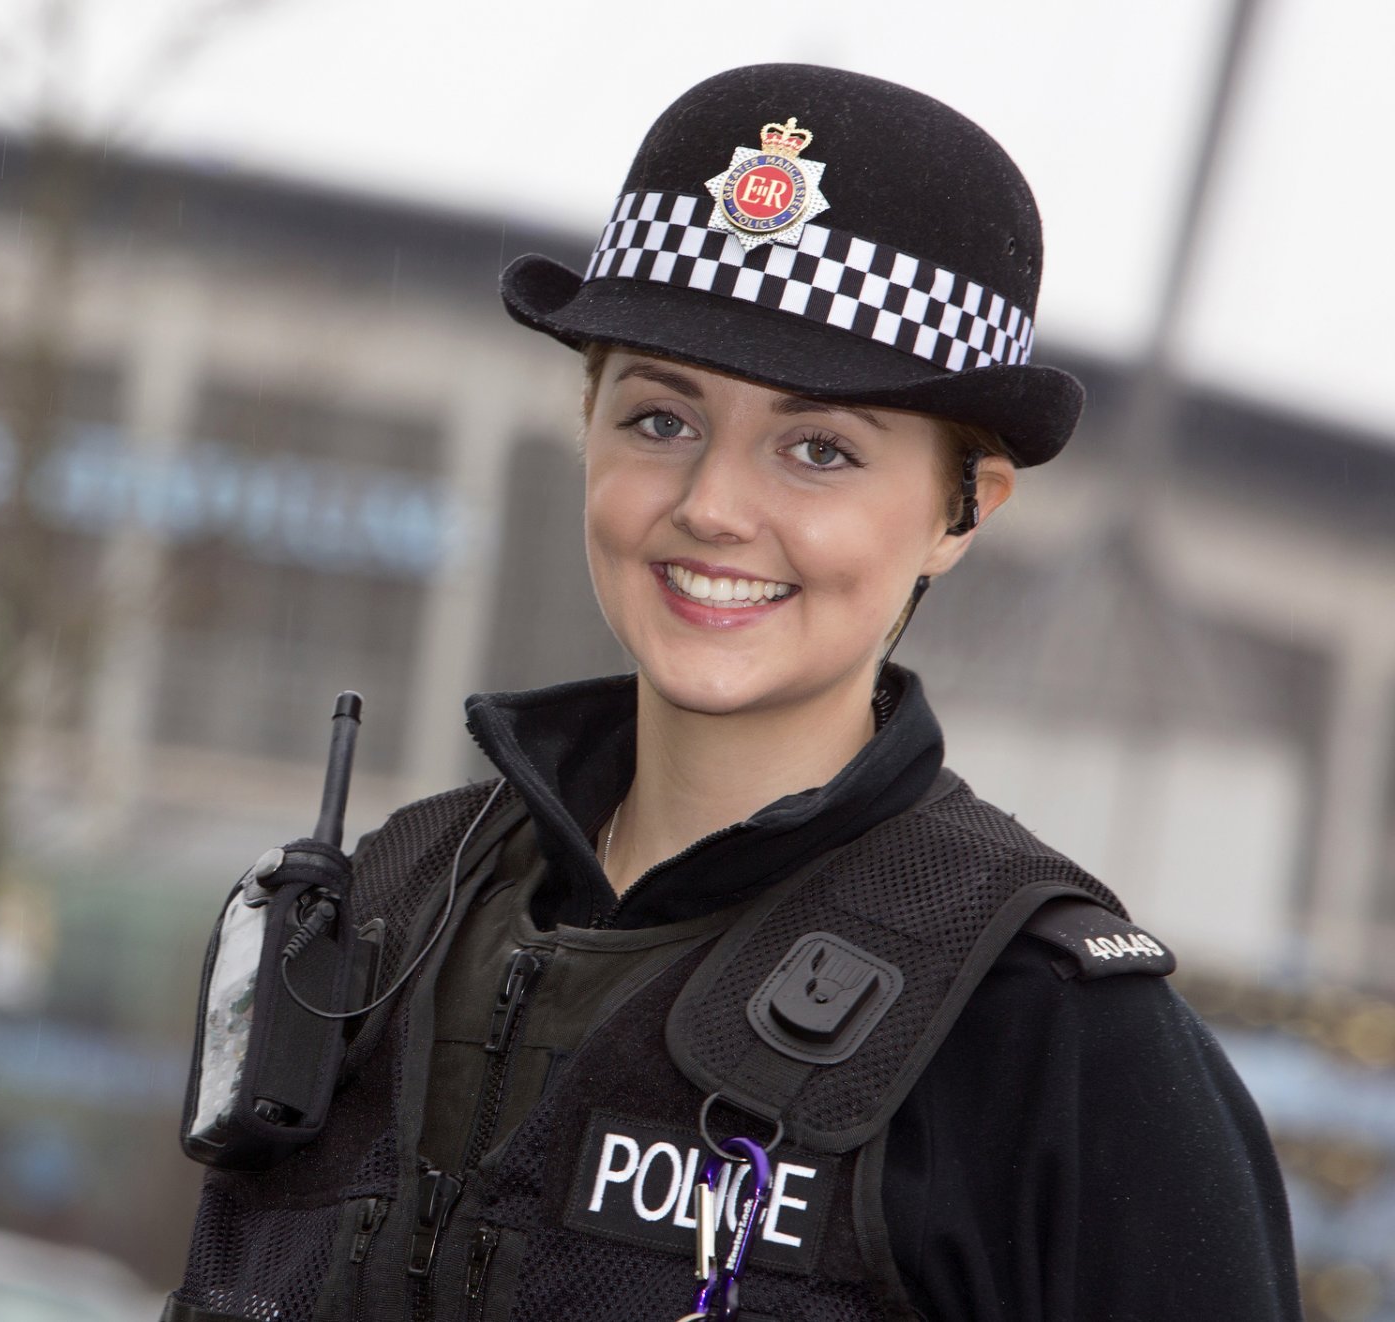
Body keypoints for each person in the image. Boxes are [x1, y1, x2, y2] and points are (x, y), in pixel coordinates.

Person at [164, 64, 1302, 1322]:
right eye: (661, 419)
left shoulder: (1057, 1043)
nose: (712, 505)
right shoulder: (382, 913)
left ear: (963, 508)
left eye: (820, 449)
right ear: (586, 418)